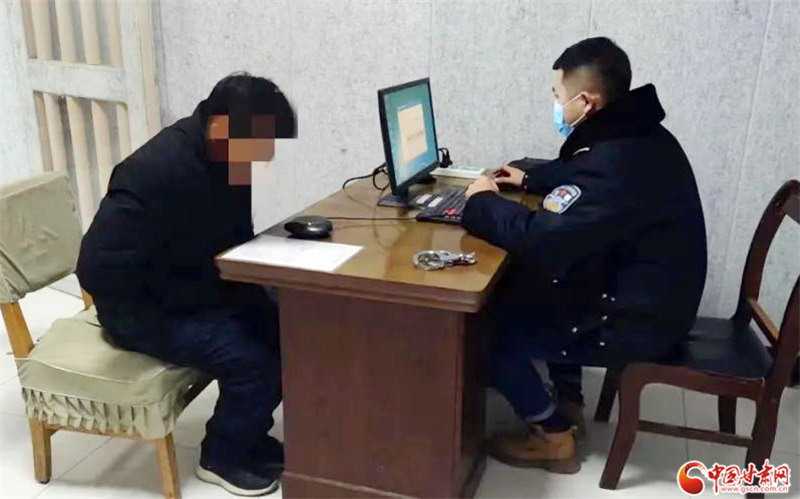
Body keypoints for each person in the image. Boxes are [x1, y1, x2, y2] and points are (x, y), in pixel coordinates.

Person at [461, 37, 707, 473]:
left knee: (486, 328)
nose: (556, 104)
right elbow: (581, 172)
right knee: (539, 280)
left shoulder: (616, 161)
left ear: (586, 102)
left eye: (558, 95)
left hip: (636, 320)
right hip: (652, 299)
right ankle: (568, 401)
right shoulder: (638, 135)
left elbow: (542, 238)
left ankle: (553, 436)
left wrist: (481, 202)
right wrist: (531, 178)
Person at [76, 72, 296, 495]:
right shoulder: (153, 172)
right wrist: (200, 301)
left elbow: (233, 234)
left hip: (201, 289)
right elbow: (96, 269)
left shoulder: (228, 158)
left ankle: (248, 436)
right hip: (142, 310)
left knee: (284, 326)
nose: (266, 153)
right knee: (251, 357)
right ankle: (221, 456)